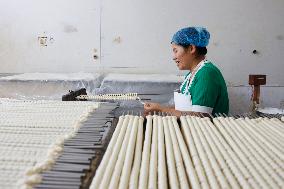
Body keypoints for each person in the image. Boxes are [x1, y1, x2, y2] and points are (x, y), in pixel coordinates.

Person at [144, 27, 229, 117]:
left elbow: (201, 117)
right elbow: (184, 109)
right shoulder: (191, 75)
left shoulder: (206, 73)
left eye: (176, 51)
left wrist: (161, 109)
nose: (174, 57)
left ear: (191, 48)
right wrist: (158, 109)